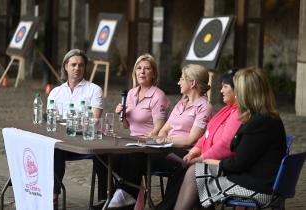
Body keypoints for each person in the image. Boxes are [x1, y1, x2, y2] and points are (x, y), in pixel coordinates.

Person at [174, 67, 287, 210]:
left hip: (256, 188)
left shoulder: (259, 122)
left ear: (246, 93)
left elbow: (237, 164)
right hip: (260, 180)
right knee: (197, 174)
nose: (235, 94)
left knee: (195, 174)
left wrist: (206, 160)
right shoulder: (267, 117)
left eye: (237, 89)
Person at [108, 64, 213, 208]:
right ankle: (125, 195)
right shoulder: (181, 103)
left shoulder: (204, 107)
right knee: (121, 156)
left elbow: (191, 139)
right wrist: (159, 138)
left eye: (182, 79)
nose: (178, 82)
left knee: (136, 156)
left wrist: (165, 140)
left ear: (192, 83)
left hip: (184, 152)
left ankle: (128, 196)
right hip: (166, 148)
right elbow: (164, 129)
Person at [155, 68, 242, 210]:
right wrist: (194, 152)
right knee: (134, 157)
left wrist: (200, 157)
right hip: (196, 155)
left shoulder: (228, 111)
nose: (220, 91)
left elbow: (223, 145)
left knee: (188, 168)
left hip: (218, 164)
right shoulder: (226, 110)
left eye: (225, 87)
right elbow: (206, 135)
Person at [48, 49, 104, 209]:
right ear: (66, 66)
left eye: (81, 65)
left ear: (85, 67)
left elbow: (94, 120)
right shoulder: (55, 92)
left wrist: (70, 124)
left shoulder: (94, 90)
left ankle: (104, 199)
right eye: (73, 64)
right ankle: (53, 195)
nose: (77, 68)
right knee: (53, 148)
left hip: (85, 141)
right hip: (63, 142)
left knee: (104, 153)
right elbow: (52, 122)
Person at [115, 53, 169, 138]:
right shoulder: (131, 93)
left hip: (149, 143)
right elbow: (126, 126)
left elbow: (159, 128)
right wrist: (121, 114)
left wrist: (147, 141)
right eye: (139, 68)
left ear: (154, 74)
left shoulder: (158, 96)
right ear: (135, 72)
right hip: (133, 140)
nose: (142, 72)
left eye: (147, 68)